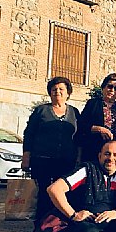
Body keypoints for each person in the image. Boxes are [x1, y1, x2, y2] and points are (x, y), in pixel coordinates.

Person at [22, 76, 80, 220]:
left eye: (61, 89)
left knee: (64, 196)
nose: (57, 92)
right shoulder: (41, 111)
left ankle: (60, 230)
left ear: (68, 93)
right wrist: (26, 157)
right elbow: (29, 134)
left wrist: (78, 158)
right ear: (50, 92)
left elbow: (79, 137)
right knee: (43, 196)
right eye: (54, 89)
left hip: (66, 162)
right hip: (42, 161)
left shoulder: (74, 112)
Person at [77, 73, 116, 164]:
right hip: (94, 150)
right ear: (103, 88)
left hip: (114, 153)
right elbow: (81, 125)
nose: (112, 90)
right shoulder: (93, 104)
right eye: (109, 86)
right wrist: (98, 129)